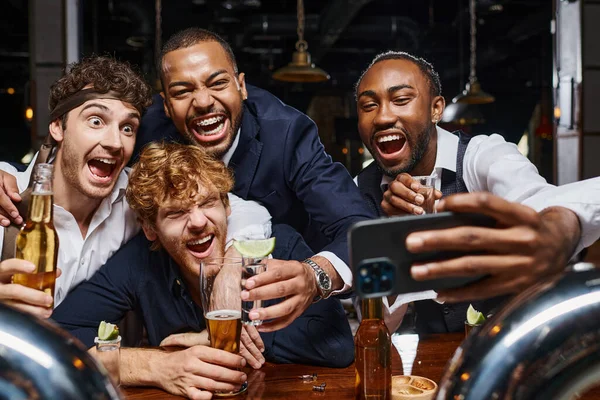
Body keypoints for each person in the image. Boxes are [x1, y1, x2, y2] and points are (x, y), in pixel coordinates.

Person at [117, 27, 374, 331]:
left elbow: (364, 233)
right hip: (181, 323)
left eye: (218, 83)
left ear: (241, 86)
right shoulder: (143, 135)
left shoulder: (287, 134)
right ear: (167, 105)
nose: (201, 101)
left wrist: (315, 276)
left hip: (287, 318)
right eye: (183, 92)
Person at [52, 142, 354, 398]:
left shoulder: (281, 245)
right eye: (177, 212)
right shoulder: (141, 261)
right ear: (150, 228)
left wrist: (220, 338)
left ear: (227, 207)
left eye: (208, 203)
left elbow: (337, 346)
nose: (197, 222)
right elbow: (59, 336)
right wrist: (152, 366)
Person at [0, 56, 270, 317]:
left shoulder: (137, 196)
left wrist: (231, 270)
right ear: (58, 127)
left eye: (128, 128)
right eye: (96, 121)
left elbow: (249, 214)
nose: (115, 142)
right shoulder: (8, 202)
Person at [354, 51, 600, 333]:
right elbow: (376, 324)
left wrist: (554, 229)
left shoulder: (482, 156)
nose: (383, 116)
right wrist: (393, 237)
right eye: (369, 105)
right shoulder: (359, 190)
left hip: (505, 347)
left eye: (401, 100)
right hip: (423, 366)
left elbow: (537, 202)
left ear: (436, 109)